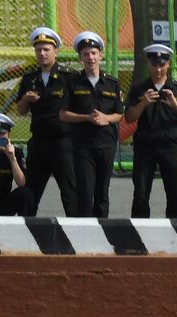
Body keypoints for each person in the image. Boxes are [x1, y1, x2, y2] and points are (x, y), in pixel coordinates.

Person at [125, 43, 177, 219]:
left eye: (162, 65)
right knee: (141, 194)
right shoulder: (139, 89)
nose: (158, 69)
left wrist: (175, 105)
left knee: (174, 193)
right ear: (149, 64)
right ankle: (139, 232)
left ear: (168, 64)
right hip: (145, 147)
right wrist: (143, 103)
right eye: (154, 64)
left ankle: (176, 232)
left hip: (170, 147)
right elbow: (129, 117)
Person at [60, 31, 123, 218]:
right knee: (86, 192)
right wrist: (86, 118)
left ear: (100, 55)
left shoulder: (112, 83)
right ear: (80, 58)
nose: (90, 58)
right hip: (83, 146)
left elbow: (120, 114)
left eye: (94, 53)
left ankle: (103, 230)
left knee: (102, 193)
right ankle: (85, 230)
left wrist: (106, 118)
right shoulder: (72, 83)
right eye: (86, 54)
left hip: (106, 144)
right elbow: (63, 115)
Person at [15, 27, 76, 216]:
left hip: (63, 142)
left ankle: (76, 230)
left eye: (46, 49)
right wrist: (26, 99)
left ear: (55, 51)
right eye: (38, 49)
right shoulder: (29, 79)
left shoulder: (69, 77)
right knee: (31, 191)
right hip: (39, 142)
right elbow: (21, 111)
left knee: (70, 192)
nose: (42, 53)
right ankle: (26, 229)